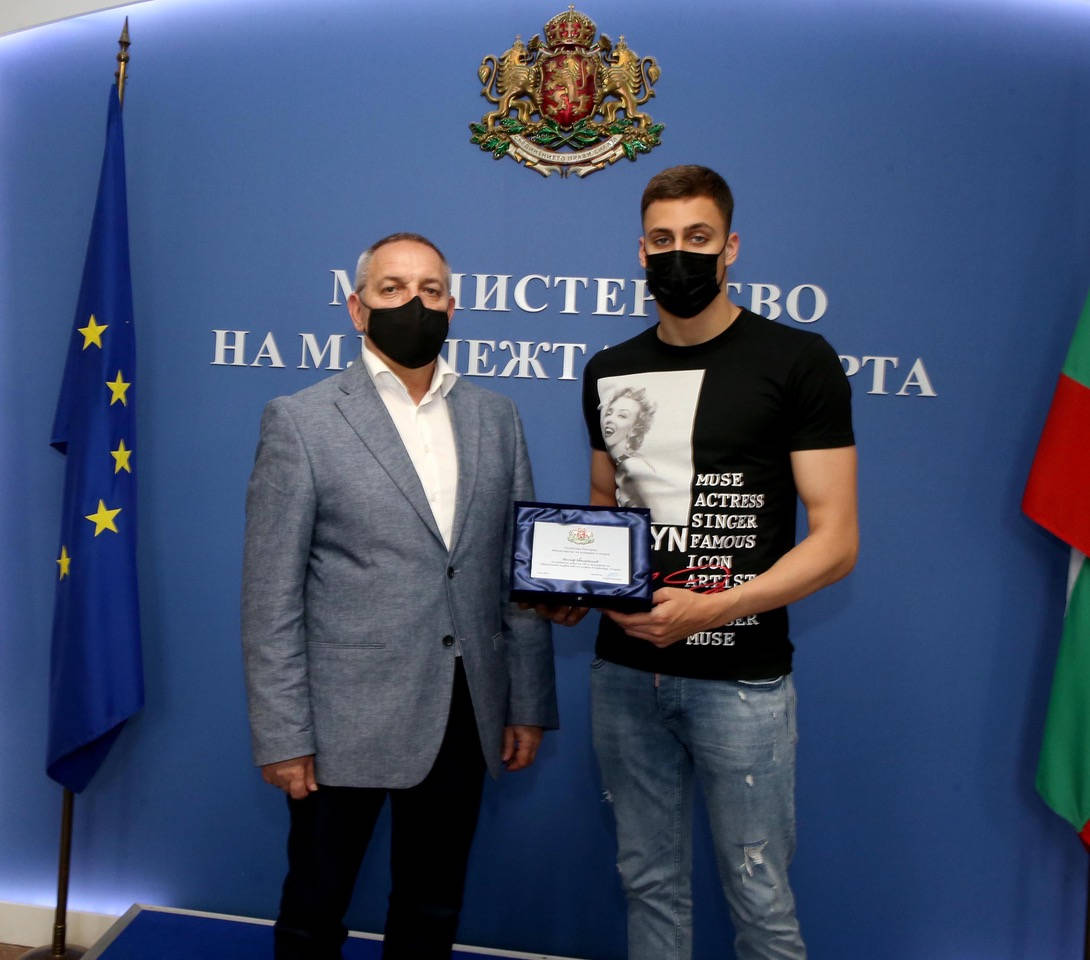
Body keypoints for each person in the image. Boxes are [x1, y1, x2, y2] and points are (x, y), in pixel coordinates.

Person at [241, 232, 558, 960]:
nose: (413, 303)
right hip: (339, 723)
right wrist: (283, 734)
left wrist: (526, 701)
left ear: (452, 307)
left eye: (429, 290)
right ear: (357, 309)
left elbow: (514, 575)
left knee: (432, 907)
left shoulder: (497, 417)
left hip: (463, 709)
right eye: (392, 289)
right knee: (315, 908)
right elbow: (270, 596)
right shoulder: (301, 420)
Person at [574, 165, 858, 959]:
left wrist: (715, 607)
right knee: (648, 883)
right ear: (640, 251)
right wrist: (575, 584)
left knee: (760, 897)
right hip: (625, 674)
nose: (680, 255)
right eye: (662, 239)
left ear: (731, 247)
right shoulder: (607, 369)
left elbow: (837, 540)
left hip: (741, 679)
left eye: (698, 238)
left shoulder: (797, 360)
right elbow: (604, 504)